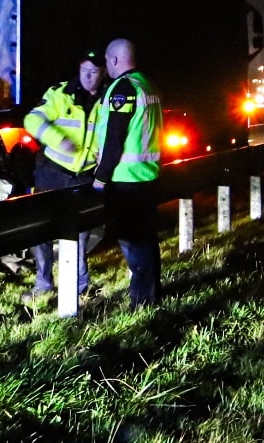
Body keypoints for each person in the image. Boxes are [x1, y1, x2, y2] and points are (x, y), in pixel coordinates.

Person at [84, 37, 164, 305]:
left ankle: (142, 303)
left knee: (134, 243)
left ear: (115, 60)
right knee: (146, 241)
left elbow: (114, 138)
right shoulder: (146, 83)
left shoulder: (123, 89)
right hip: (147, 175)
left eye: (107, 61)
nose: (106, 66)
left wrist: (100, 178)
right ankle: (152, 296)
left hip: (126, 180)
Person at [24, 50, 104, 296]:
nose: (88, 78)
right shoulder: (60, 94)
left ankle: (80, 286)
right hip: (52, 171)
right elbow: (33, 120)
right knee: (43, 231)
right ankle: (43, 284)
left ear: (103, 73)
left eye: (94, 72)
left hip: (84, 174)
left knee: (80, 234)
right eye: (85, 71)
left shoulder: (108, 98)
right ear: (79, 69)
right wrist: (58, 140)